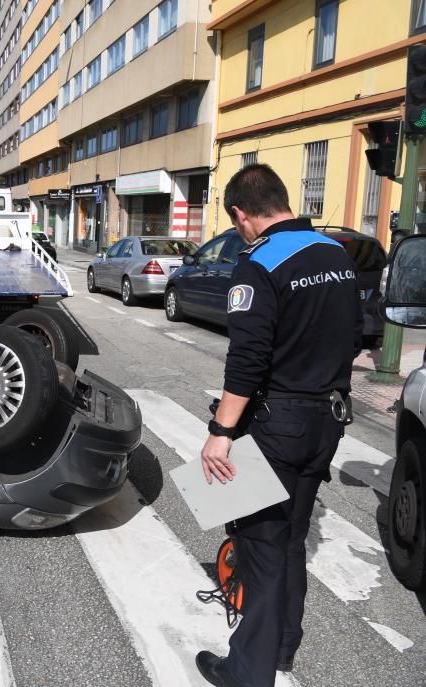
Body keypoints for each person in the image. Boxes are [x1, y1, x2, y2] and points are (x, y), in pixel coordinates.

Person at [195, 164, 362, 687]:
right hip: (328, 420)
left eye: (237, 222)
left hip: (278, 423)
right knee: (291, 539)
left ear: (242, 215)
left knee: (260, 545)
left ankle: (247, 672)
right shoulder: (337, 254)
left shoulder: (261, 261)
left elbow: (247, 357)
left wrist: (221, 433)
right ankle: (283, 646)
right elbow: (360, 332)